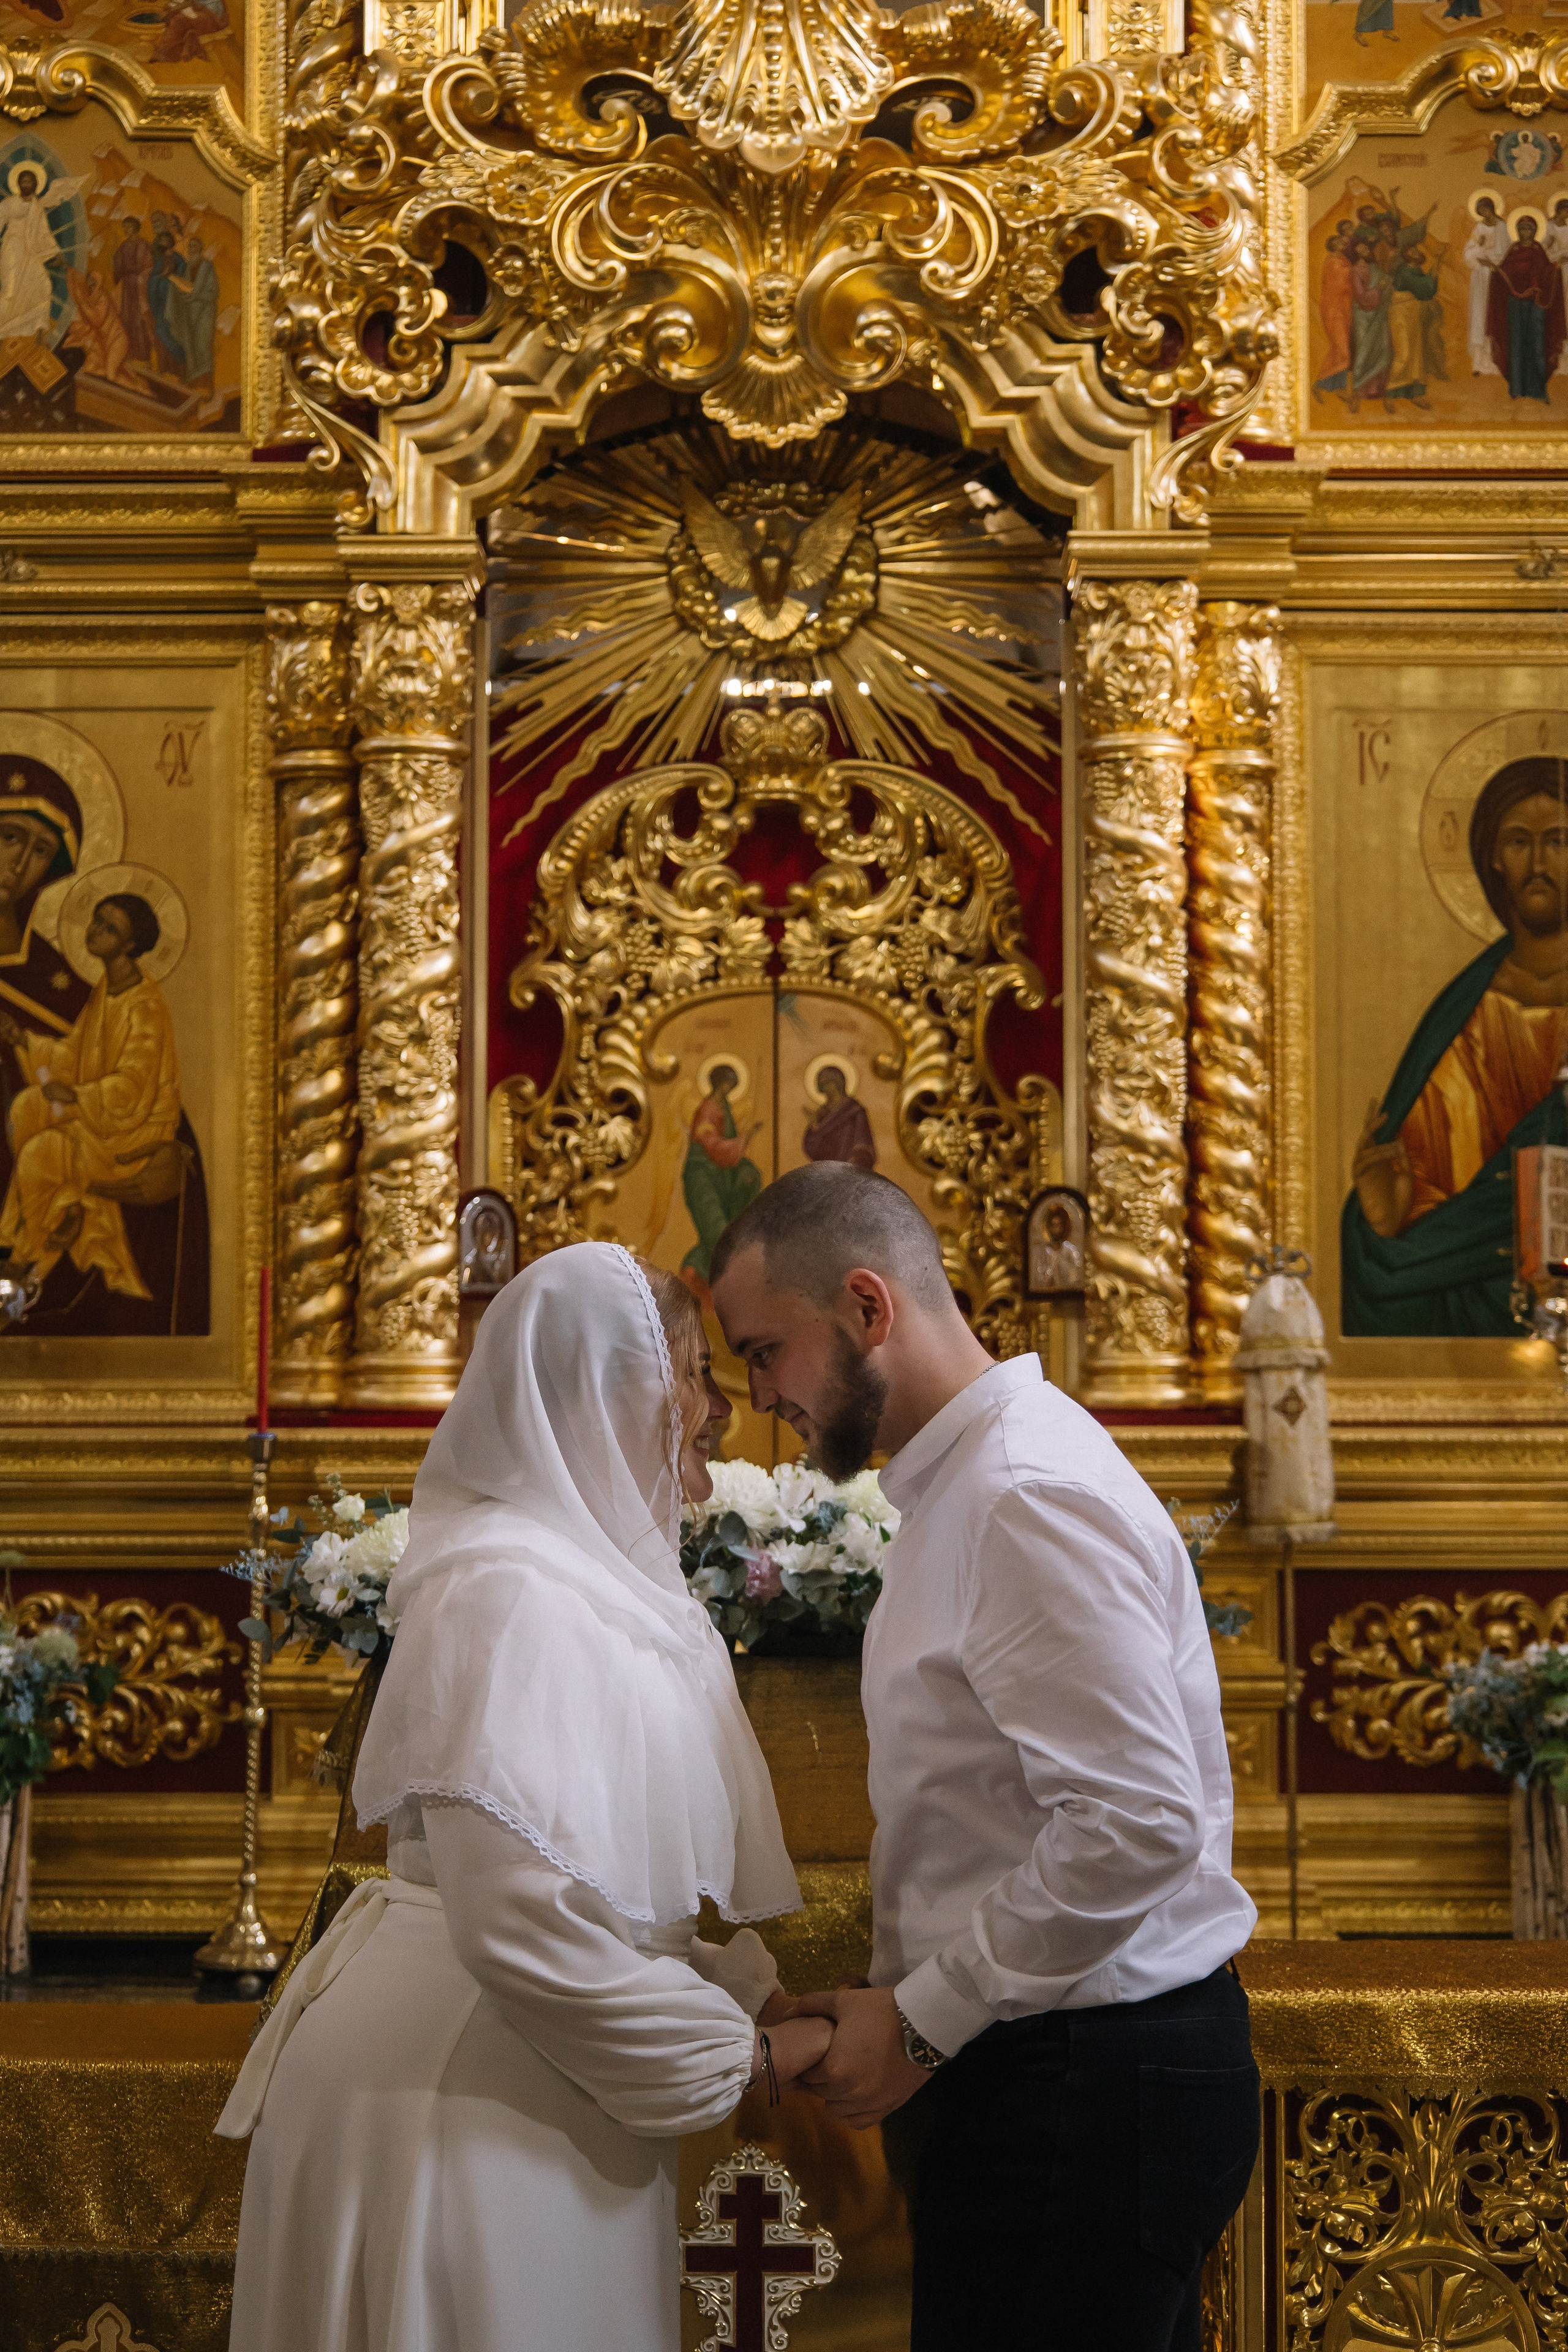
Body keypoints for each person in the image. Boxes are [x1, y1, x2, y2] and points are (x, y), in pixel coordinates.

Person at [217, 1243, 830, 2352]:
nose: (712, 1410)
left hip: (523, 2083)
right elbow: (519, 1926)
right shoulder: (512, 1591)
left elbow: (576, 1887)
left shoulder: (578, 1585)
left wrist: (741, 1996)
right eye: (692, 1373)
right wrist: (744, 2058)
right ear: (612, 1391)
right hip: (455, 2107)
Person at [709, 1164, 1259, 2352]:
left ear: (867, 1308)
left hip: (1085, 2086)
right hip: (1058, 2069)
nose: (758, 1397)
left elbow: (1134, 1824)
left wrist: (917, 2021)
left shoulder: (1018, 1493)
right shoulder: (962, 1487)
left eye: (764, 1351)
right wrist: (891, 2002)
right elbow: (991, 1820)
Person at [1343, 756, 1568, 1336]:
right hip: (1479, 1281)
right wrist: (1383, 1219)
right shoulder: (1463, 1014)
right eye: (1520, 842)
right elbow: (1416, 1202)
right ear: (1493, 857)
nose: (1540, 863)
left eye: (1559, 841)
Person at [0, 892, 181, 1302]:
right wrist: (22, 1039)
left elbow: (133, 1087)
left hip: (132, 1133)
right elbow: (74, 1056)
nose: (95, 931)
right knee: (28, 1106)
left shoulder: (145, 1006)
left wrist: (78, 1095)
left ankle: (24, 1258)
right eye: (97, 920)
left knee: (41, 1153)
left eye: (110, 928)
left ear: (130, 945)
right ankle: (57, 1213)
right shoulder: (107, 989)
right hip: (100, 1115)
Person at [680, 1061, 762, 1291]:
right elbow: (712, 1147)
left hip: (721, 1178)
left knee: (749, 1177)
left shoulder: (724, 1108)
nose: (729, 1090)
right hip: (703, 1178)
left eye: (732, 1086)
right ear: (719, 1083)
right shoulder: (708, 1110)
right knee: (716, 1235)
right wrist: (744, 1139)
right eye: (728, 1084)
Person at [0, 165, 85, 345]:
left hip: (30, 251)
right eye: (23, 181)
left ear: (35, 184)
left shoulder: (37, 206)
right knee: (10, 290)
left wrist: (55, 254)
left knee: (43, 285)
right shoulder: (9, 204)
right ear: (18, 183)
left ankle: (38, 329)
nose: (26, 184)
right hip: (12, 249)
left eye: (30, 181)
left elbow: (44, 232)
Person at [1486, 215, 1566, 401]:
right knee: (1516, 344)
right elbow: (1504, 271)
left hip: (1537, 304)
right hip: (1515, 304)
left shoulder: (1539, 251)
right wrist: (1495, 269)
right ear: (1518, 231)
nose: (1526, 232)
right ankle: (1517, 388)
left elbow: (1547, 272)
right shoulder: (1513, 250)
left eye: (1529, 229)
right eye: (1522, 229)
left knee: (1537, 345)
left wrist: (1557, 267)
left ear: (1535, 231)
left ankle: (1539, 390)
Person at [1465, 195, 1510, 375]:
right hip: (1481, 278)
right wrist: (1479, 250)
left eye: (1486, 209)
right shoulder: (1479, 228)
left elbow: (1508, 252)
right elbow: (1468, 252)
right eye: (1481, 211)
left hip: (1497, 277)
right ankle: (1479, 362)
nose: (1485, 213)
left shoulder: (1503, 227)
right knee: (1480, 315)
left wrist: (1495, 263)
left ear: (1492, 208)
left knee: (1496, 315)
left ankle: (1496, 361)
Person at [802, 1063, 876, 1169]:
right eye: (822, 1086)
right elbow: (812, 1150)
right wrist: (814, 1127)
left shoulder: (855, 1112)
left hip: (850, 1174)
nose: (825, 1091)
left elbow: (864, 1147)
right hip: (826, 1174)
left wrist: (851, 1166)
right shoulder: (821, 1114)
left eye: (827, 1084)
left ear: (837, 1084)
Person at [111, 217, 153, 364]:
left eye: (129, 227)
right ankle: (130, 352)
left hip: (140, 285)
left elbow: (144, 264)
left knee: (140, 318)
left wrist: (127, 268)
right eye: (125, 227)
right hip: (128, 286)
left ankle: (144, 356)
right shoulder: (124, 246)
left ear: (136, 227)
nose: (126, 230)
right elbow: (118, 264)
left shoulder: (143, 244)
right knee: (127, 317)